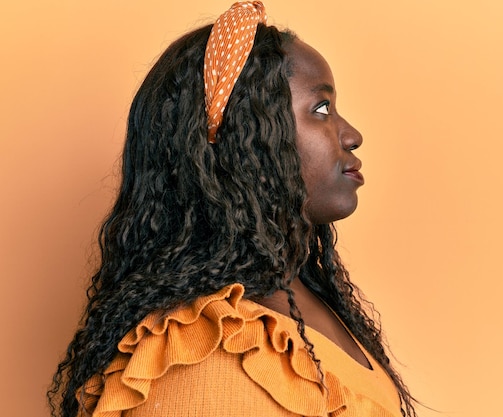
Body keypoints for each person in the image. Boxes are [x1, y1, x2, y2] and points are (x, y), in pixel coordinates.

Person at [48, 2, 417, 416]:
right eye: (321, 109)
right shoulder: (202, 353)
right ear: (248, 140)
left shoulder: (302, 297)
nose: (352, 135)